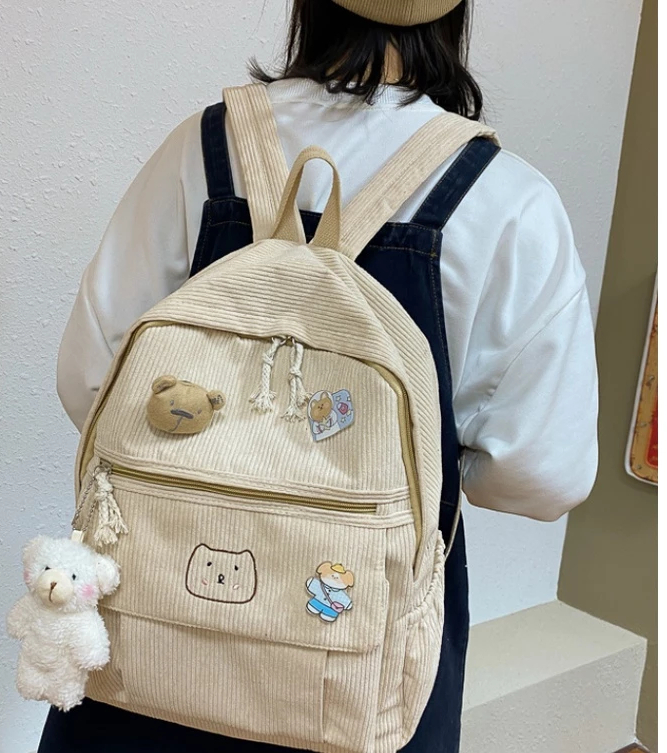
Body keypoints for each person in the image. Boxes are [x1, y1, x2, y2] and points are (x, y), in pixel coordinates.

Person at [42, 0, 599, 751]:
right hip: (357, 657)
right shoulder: (508, 200)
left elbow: (88, 381)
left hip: (151, 641)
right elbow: (542, 477)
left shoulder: (199, 151)